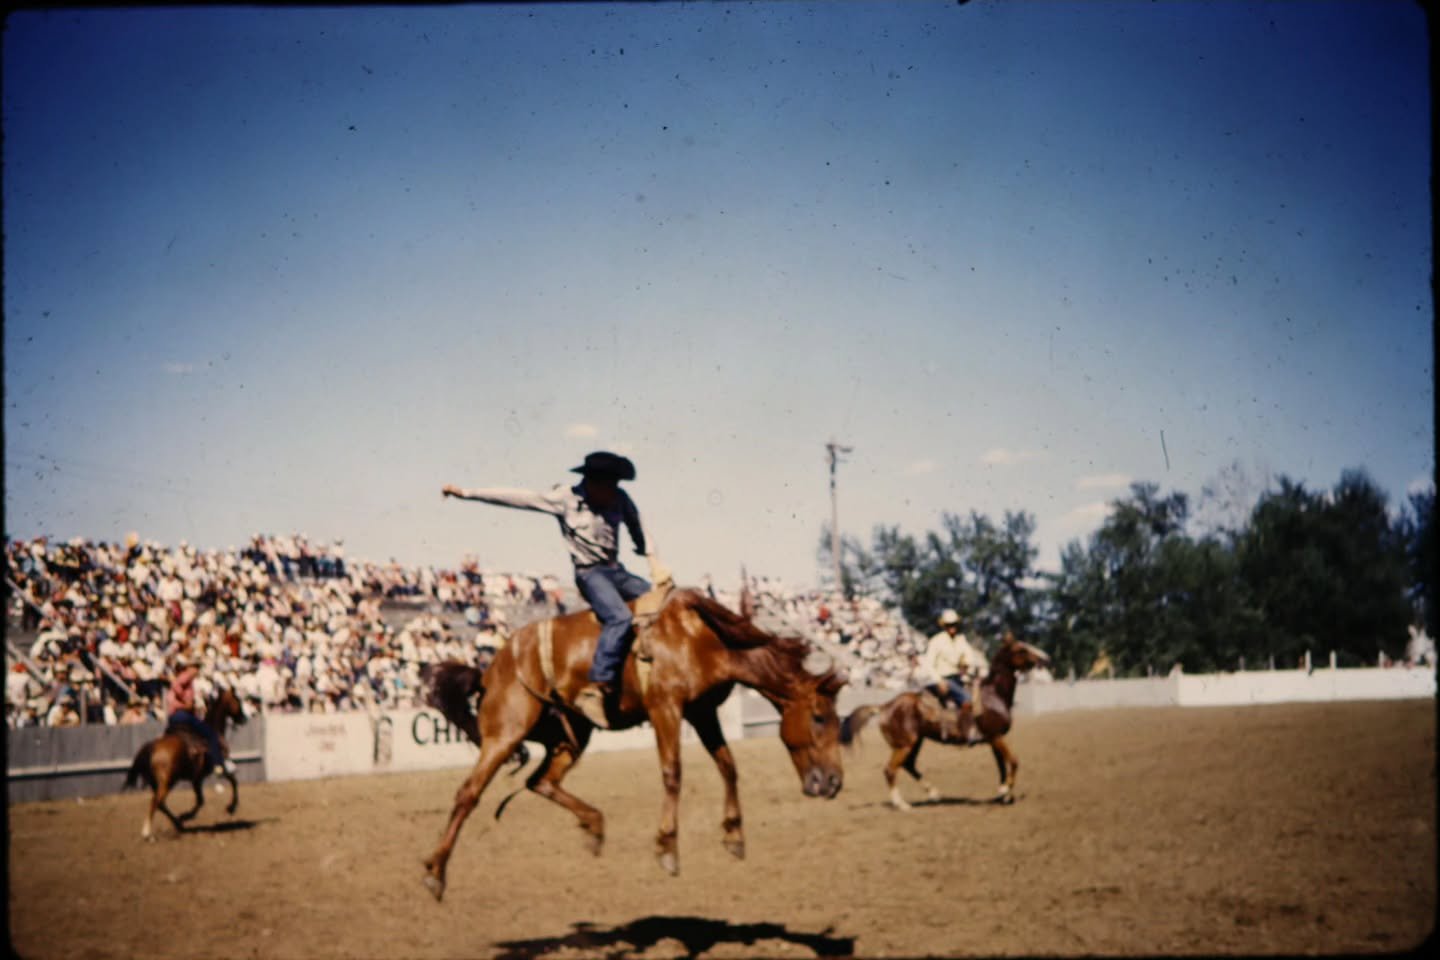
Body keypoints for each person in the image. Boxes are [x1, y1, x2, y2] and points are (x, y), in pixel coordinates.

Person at [443, 451, 654, 727]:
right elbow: (518, 498)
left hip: (617, 571)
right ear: (593, 482)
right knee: (620, 617)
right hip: (590, 574)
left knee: (662, 601)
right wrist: (467, 493)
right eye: (609, 486)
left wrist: (644, 547)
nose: (613, 492)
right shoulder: (564, 498)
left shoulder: (620, 498)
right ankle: (599, 683)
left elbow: (635, 524)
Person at [165, 658, 236, 774]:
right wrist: (185, 701)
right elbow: (175, 685)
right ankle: (218, 764)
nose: (197, 670)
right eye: (196, 667)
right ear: (190, 667)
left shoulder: (187, 680)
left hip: (174, 717)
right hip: (182, 715)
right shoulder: (186, 676)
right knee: (211, 734)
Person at [921, 609, 988, 727]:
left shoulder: (961, 640)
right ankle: (964, 728)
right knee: (967, 698)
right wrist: (939, 681)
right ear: (944, 626)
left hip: (959, 677)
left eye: (954, 624)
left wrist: (966, 663)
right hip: (943, 679)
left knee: (982, 695)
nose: (952, 627)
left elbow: (970, 656)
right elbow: (928, 664)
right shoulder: (937, 641)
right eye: (949, 625)